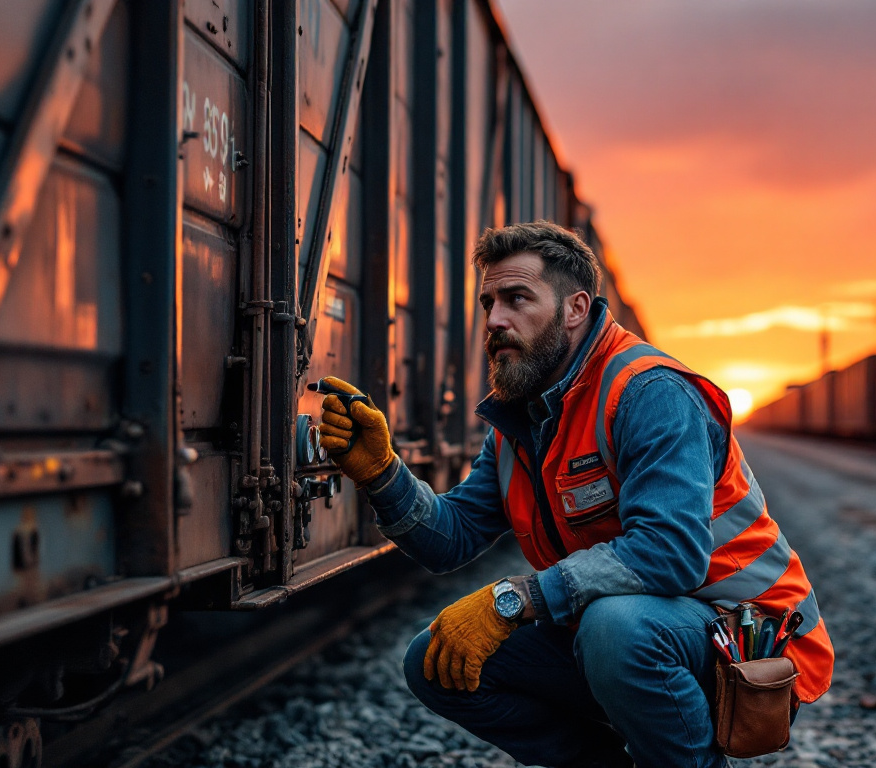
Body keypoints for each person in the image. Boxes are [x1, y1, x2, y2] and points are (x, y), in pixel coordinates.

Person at [316, 221, 833, 768]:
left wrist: (512, 600)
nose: (495, 320)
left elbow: (669, 554)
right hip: (636, 633)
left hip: (748, 639)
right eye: (489, 302)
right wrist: (381, 473)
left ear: (575, 308)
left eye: (517, 299)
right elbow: (453, 538)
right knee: (435, 660)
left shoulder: (650, 392)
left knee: (617, 629)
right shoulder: (523, 422)